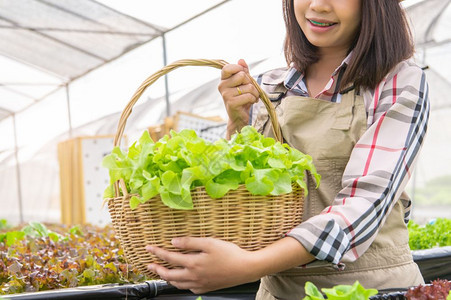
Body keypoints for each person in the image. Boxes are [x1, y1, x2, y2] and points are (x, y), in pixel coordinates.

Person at [145, 0, 430, 298]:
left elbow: (365, 203)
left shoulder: (398, 81)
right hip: (279, 290)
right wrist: (238, 123)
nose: (318, 6)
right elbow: (246, 197)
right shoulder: (273, 85)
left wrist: (250, 265)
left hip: (371, 288)